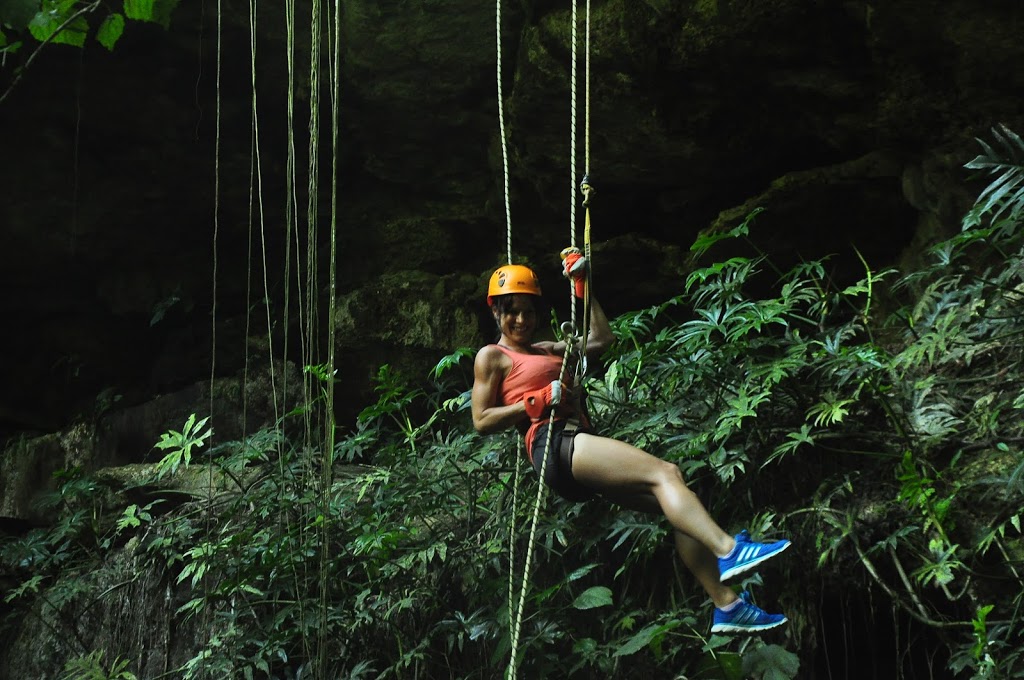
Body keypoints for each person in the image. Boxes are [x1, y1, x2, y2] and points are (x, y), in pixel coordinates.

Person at [471, 258, 790, 634]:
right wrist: (534, 401)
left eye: (528, 311)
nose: (521, 320)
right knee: (665, 473)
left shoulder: (547, 349)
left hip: (573, 447)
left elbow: (601, 339)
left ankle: (727, 605)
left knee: (679, 501)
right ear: (496, 311)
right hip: (554, 443)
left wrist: (583, 285)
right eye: (512, 312)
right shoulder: (492, 357)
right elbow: (481, 419)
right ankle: (730, 551)